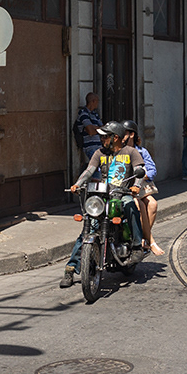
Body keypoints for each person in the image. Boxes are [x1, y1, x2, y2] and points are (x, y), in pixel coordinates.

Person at [61, 121, 146, 287]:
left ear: (116, 137)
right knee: (90, 225)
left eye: (105, 136)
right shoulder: (99, 153)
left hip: (122, 194)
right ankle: (70, 269)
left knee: (130, 206)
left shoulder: (131, 152)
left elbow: (140, 171)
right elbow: (89, 171)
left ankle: (136, 247)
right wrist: (78, 184)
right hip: (102, 195)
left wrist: (136, 186)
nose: (102, 139)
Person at [124, 121, 165, 256]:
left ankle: (141, 237)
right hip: (124, 187)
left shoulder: (141, 151)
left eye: (125, 133)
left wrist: (143, 176)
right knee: (139, 204)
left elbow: (152, 170)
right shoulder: (119, 151)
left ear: (132, 134)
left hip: (140, 187)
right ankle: (149, 240)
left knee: (152, 204)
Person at [74, 92, 103, 167]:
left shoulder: (95, 114)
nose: (98, 103)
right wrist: (96, 129)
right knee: (97, 167)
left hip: (99, 146)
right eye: (97, 101)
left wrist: (94, 128)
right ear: (93, 101)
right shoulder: (83, 113)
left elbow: (103, 129)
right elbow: (90, 131)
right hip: (90, 147)